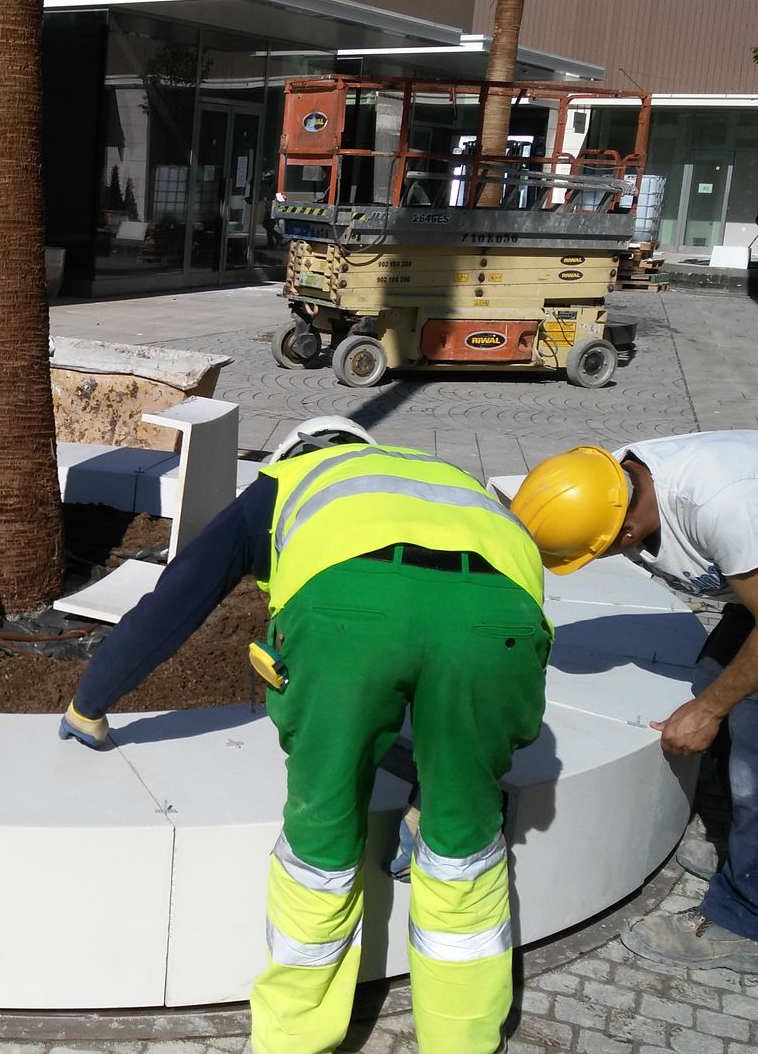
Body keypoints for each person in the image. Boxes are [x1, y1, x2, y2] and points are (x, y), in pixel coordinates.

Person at [60, 417, 552, 1054]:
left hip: (348, 617)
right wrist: (438, 787)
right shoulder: (444, 479)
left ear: (296, 451)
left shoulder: (284, 481)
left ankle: (296, 1041)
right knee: (465, 845)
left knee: (321, 842)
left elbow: (176, 599)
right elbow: (457, 632)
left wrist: (89, 699)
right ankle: (463, 1039)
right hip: (503, 616)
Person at [511, 432, 758, 974]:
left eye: (598, 552)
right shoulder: (606, 483)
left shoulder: (724, 504)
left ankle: (744, 923)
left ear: (626, 529)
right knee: (715, 677)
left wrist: (710, 711)